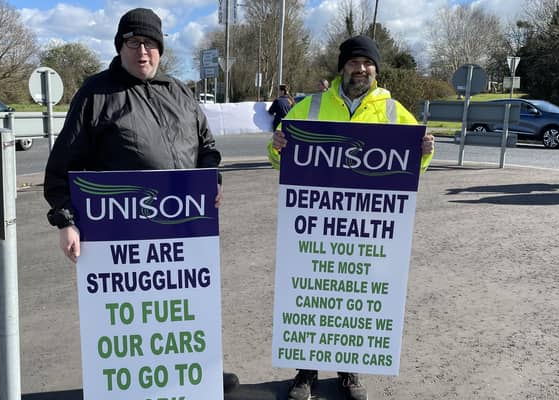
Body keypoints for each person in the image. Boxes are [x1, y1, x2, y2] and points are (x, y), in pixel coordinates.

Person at [43, 7, 238, 394]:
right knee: (131, 318)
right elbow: (62, 168)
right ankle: (126, 383)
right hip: (121, 236)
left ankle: (195, 373)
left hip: (184, 230)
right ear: (120, 47)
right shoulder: (96, 94)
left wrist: (210, 177)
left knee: (183, 309)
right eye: (133, 43)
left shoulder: (180, 92)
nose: (143, 51)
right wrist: (66, 221)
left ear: (161, 49)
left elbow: (207, 148)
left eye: (150, 43)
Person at [267, 35, 435, 400]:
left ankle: (349, 372)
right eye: (353, 63)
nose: (360, 69)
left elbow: (412, 166)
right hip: (316, 220)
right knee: (313, 295)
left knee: (352, 298)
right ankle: (306, 373)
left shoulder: (393, 110)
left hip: (365, 226)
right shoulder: (311, 106)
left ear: (376, 68)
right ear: (342, 67)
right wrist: (276, 147)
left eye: (367, 63)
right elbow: (280, 152)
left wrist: (424, 152)